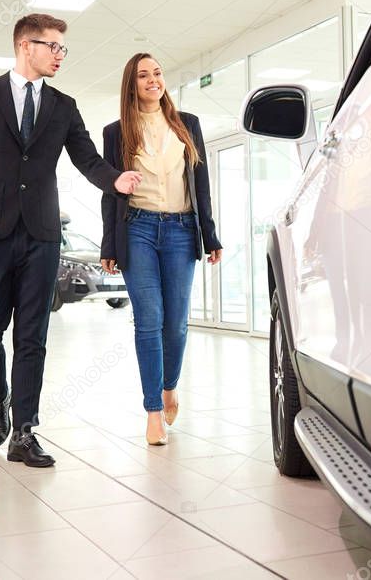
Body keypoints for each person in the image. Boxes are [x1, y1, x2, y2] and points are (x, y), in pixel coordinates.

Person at [0, 14, 142, 467]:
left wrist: (117, 181)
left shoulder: (64, 106)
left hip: (42, 236)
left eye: (61, 48)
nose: (59, 55)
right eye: (51, 46)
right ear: (24, 46)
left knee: (32, 336)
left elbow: (88, 159)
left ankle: (24, 432)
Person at [100, 53, 222, 446]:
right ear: (131, 84)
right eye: (143, 75)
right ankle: (153, 411)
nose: (153, 80)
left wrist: (210, 233)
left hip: (182, 230)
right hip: (137, 229)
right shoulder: (116, 132)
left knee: (177, 323)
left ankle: (170, 386)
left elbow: (200, 183)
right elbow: (110, 192)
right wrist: (109, 244)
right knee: (149, 320)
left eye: (157, 73)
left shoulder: (188, 124)